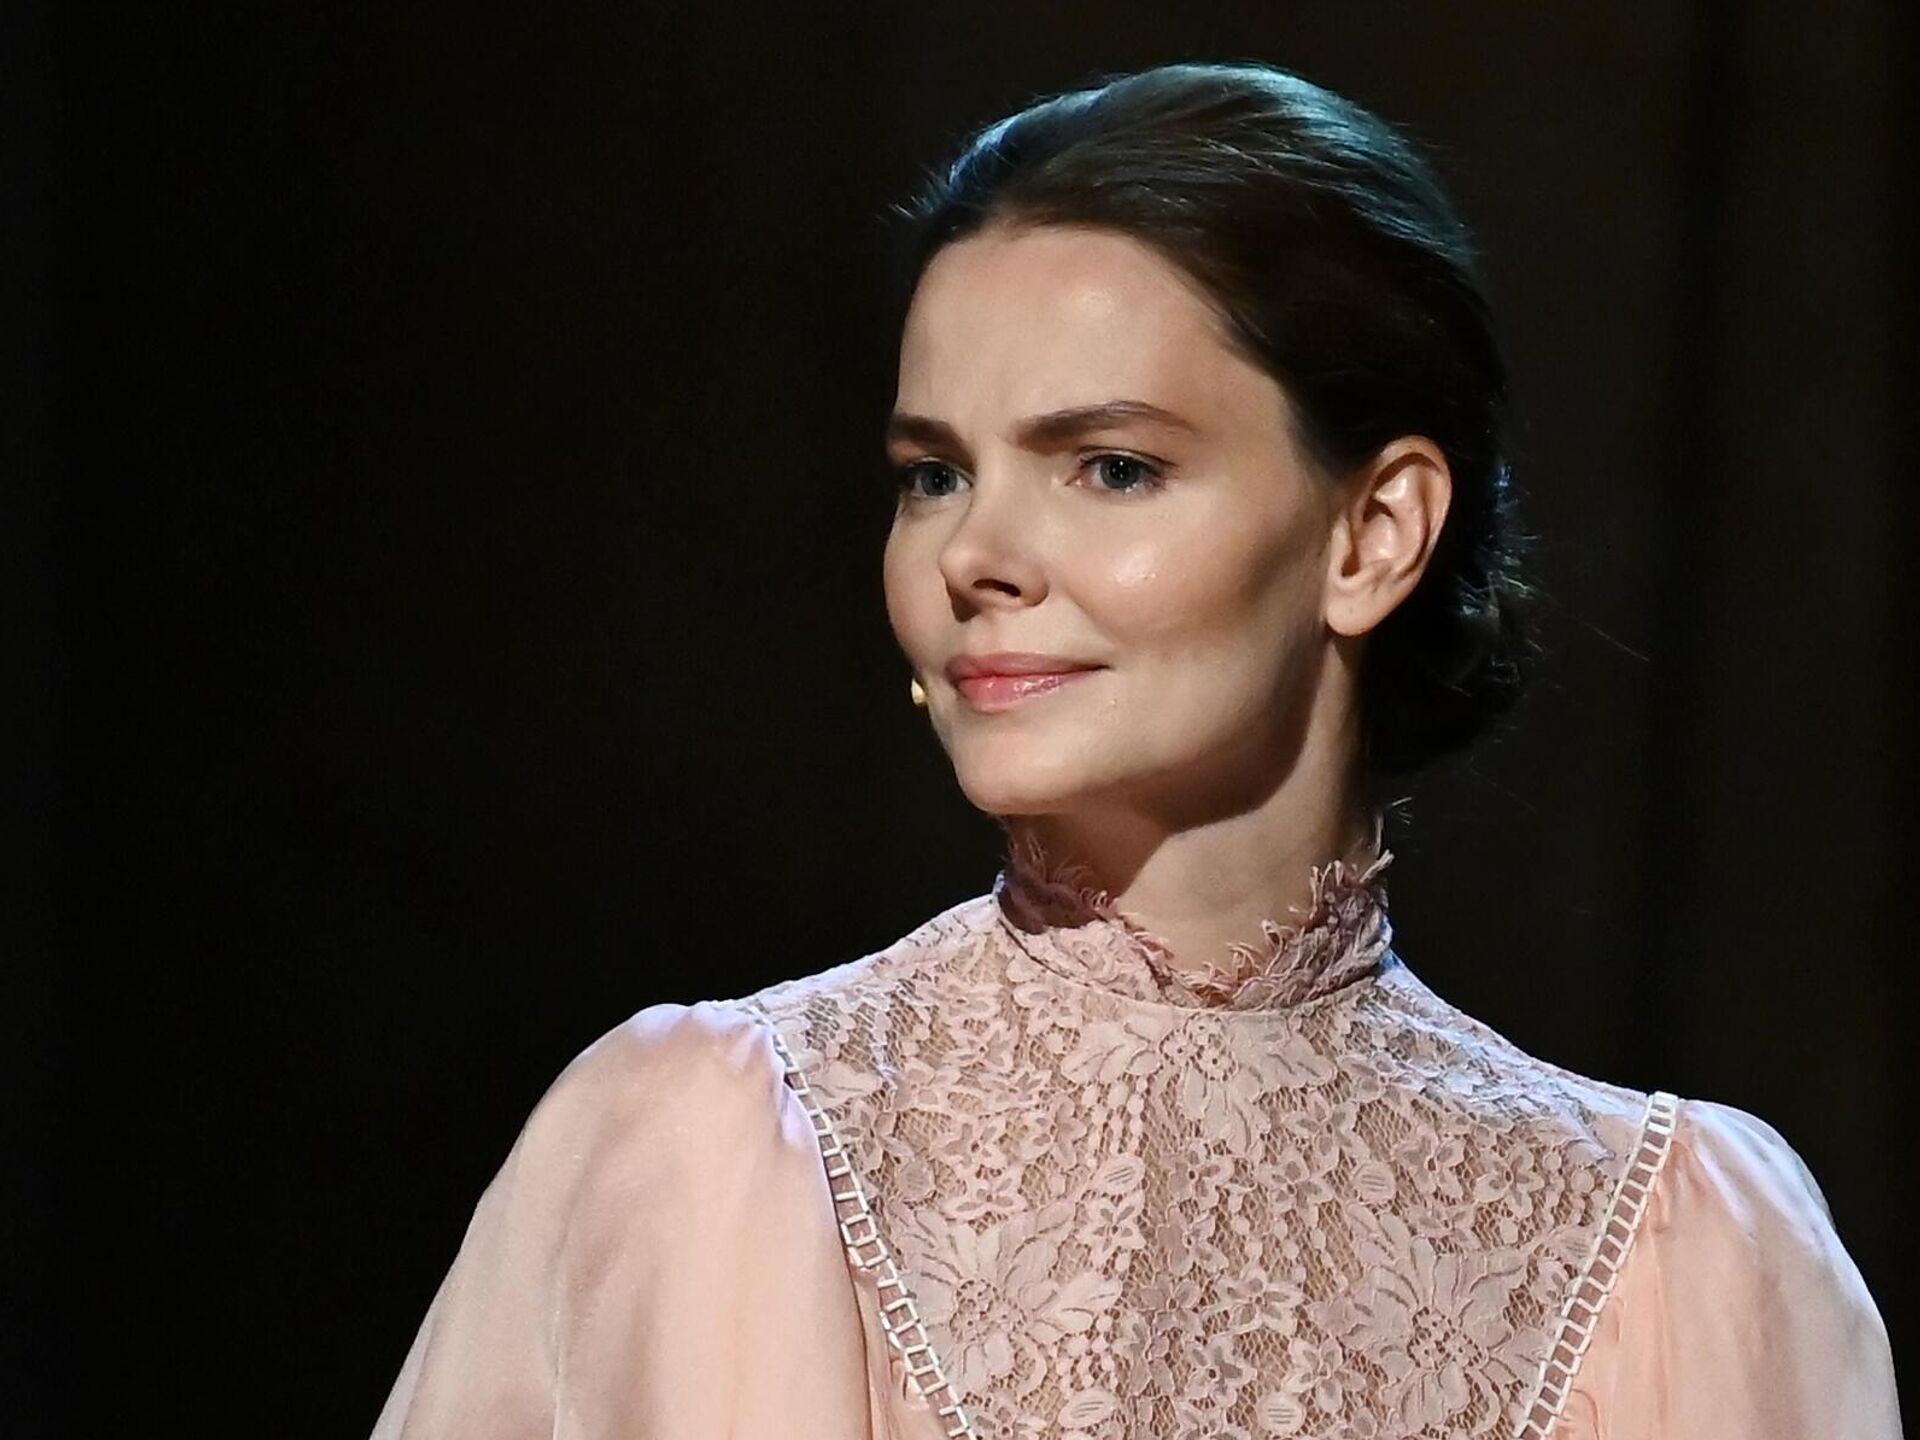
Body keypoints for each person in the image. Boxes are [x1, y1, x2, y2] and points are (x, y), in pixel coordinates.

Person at [369, 62, 1902, 1440]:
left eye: (1110, 467)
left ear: (1373, 534)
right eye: (933, 474)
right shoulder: (706, 1144)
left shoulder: (1678, 1251)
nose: (976, 555)